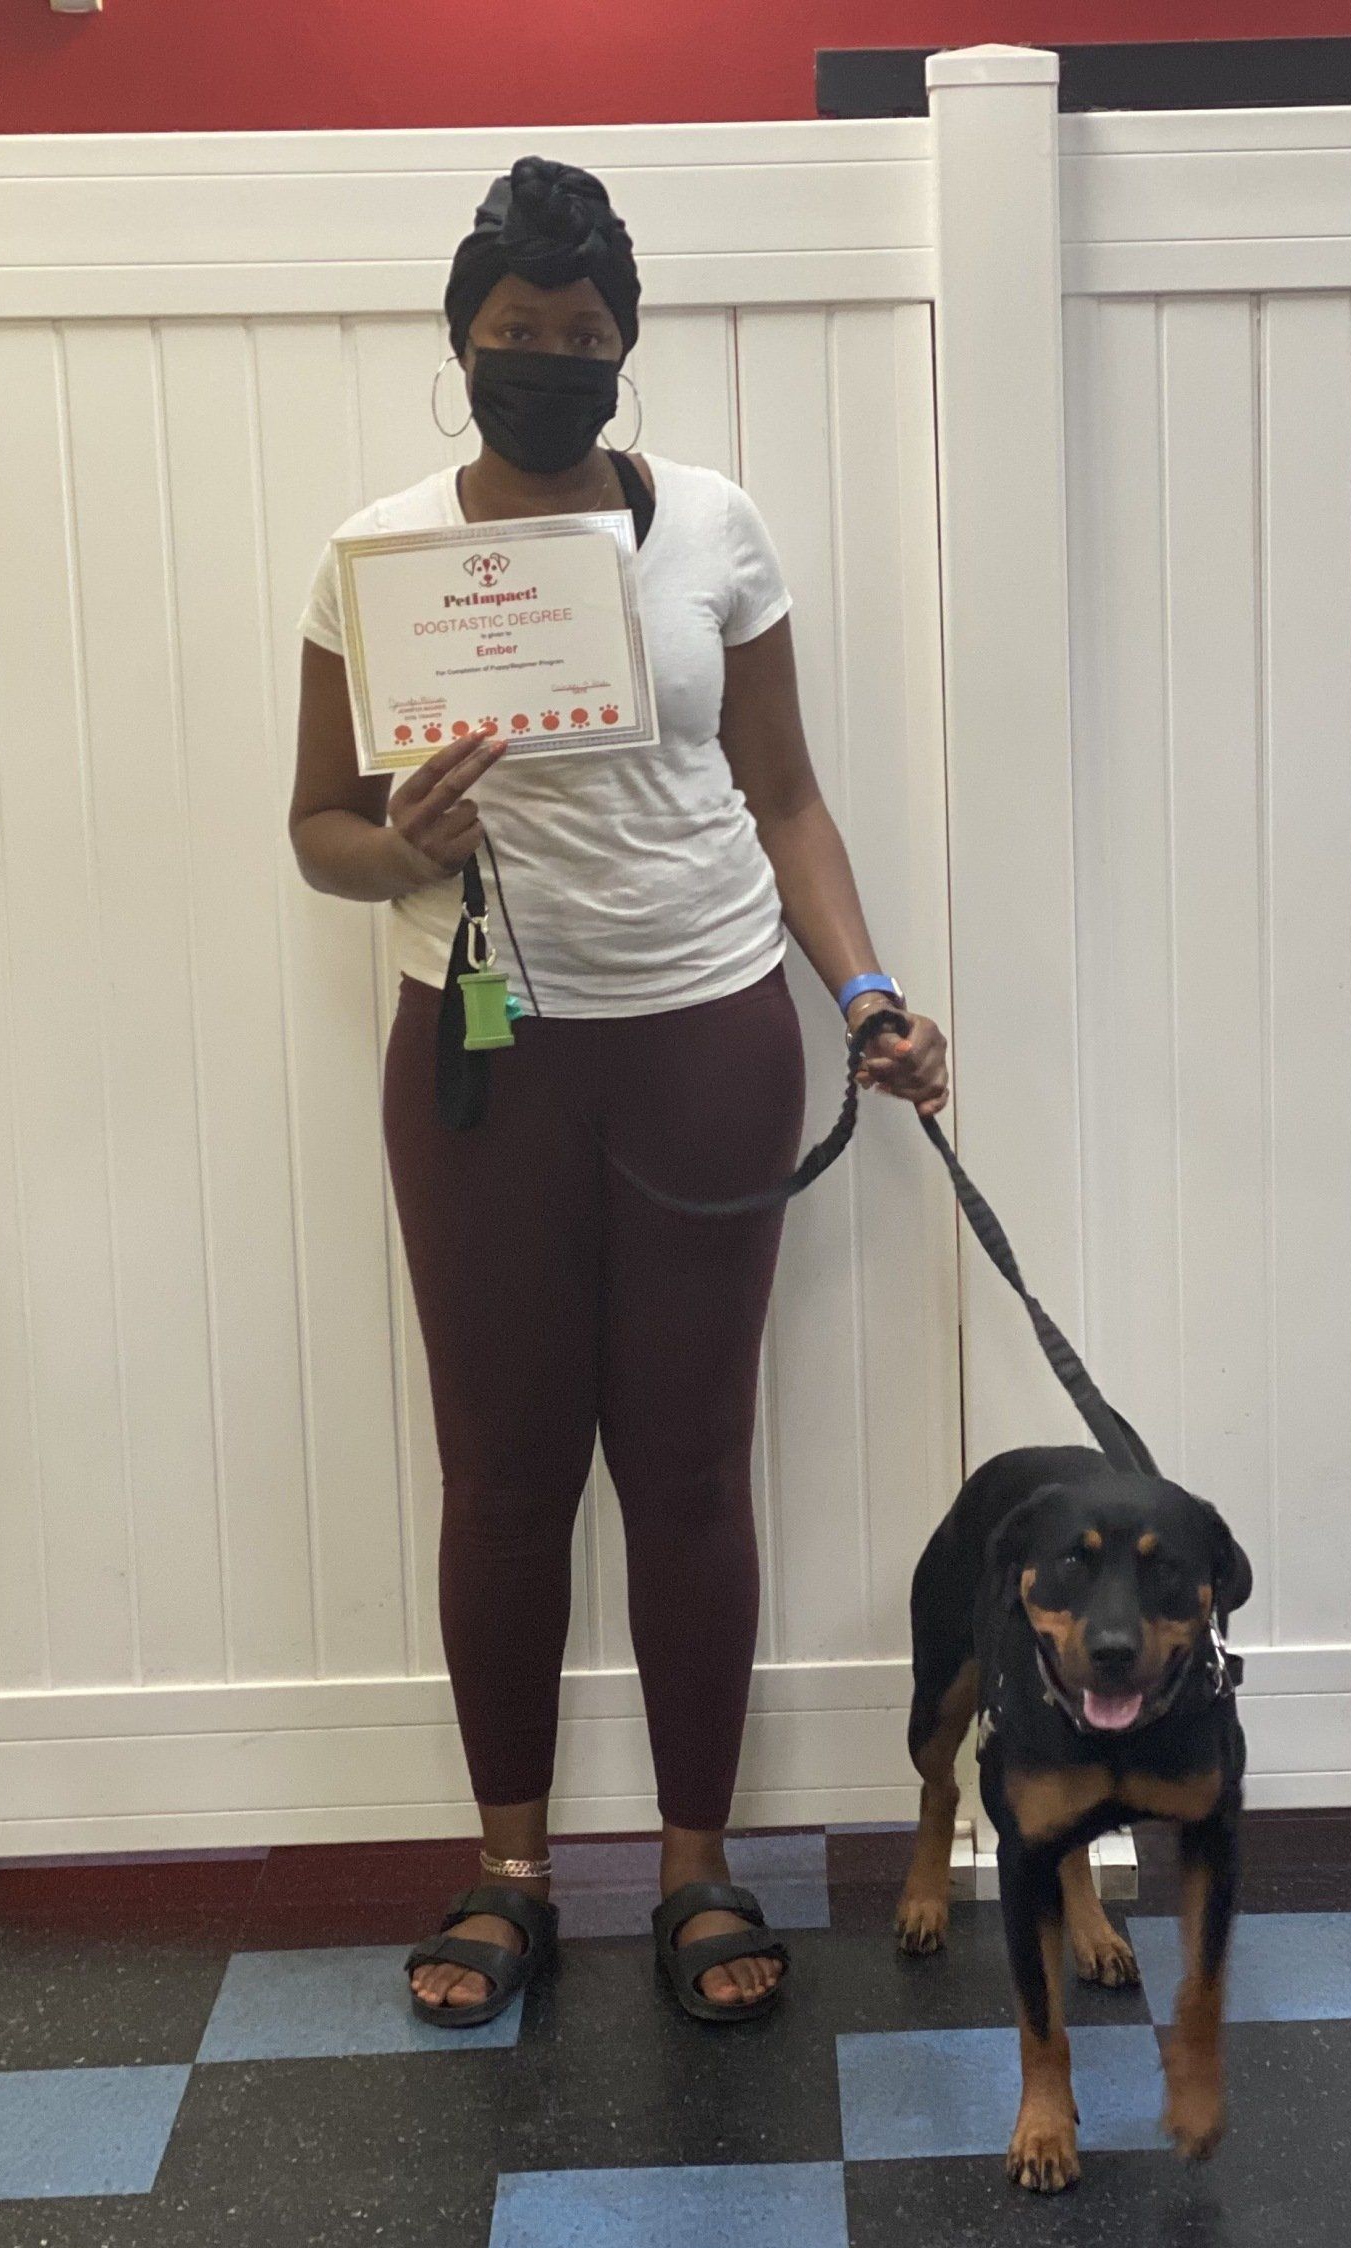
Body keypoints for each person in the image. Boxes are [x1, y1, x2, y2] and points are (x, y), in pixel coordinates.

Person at [289, 157, 947, 2027]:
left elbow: (787, 792)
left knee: (687, 1464)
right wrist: (402, 841)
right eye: (516, 338)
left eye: (582, 341)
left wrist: (872, 994)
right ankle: (507, 1866)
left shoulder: (716, 528)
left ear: (625, 348)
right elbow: (317, 833)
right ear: (461, 345)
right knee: (504, 1472)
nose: (549, 366)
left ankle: (693, 1861)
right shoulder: (380, 555)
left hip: (707, 1034)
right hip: (483, 1050)